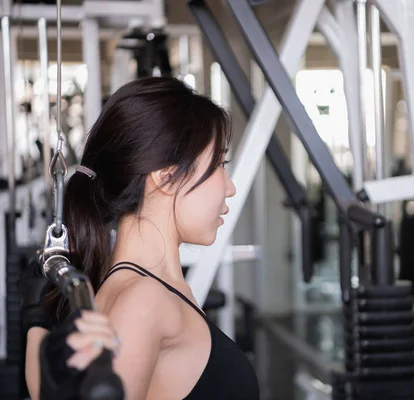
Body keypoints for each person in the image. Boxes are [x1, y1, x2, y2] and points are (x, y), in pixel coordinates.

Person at [24, 77, 259, 400]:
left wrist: (35, 322)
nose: (229, 187)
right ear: (165, 178)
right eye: (220, 163)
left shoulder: (149, 289)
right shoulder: (144, 300)